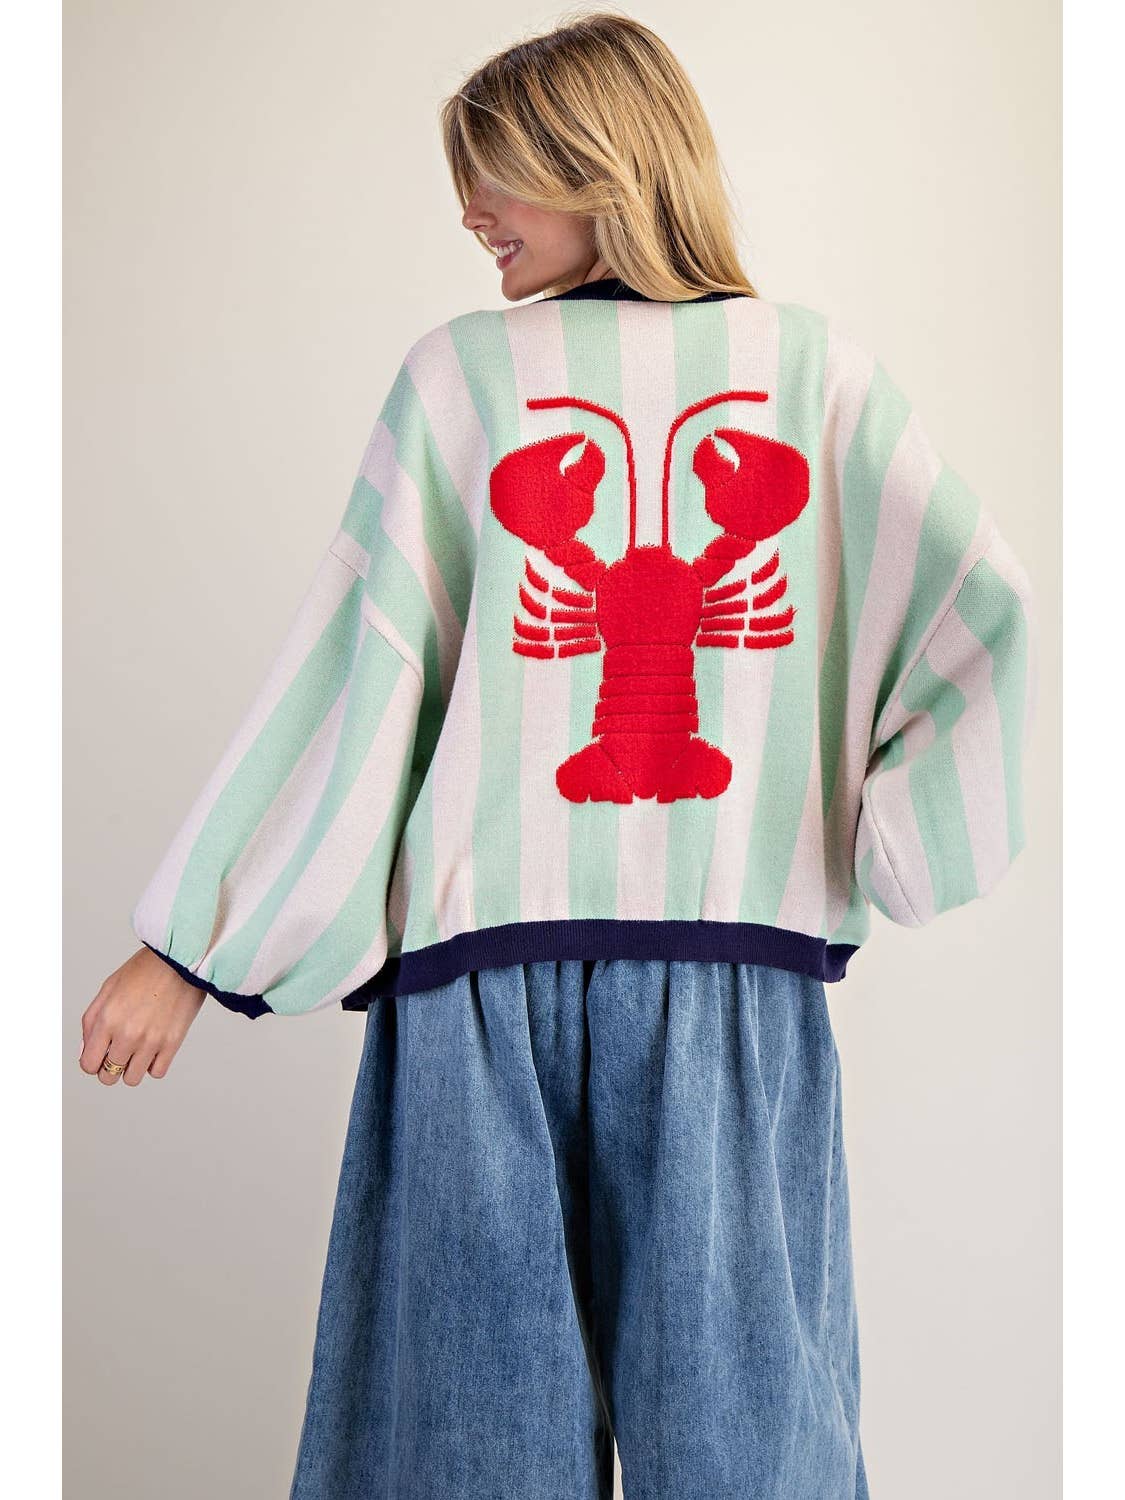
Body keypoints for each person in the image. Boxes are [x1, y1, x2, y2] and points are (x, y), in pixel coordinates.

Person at [79, 12, 1036, 1498]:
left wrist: (901, 832)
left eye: (495, 176)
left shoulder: (810, 375)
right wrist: (190, 951)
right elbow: (361, 664)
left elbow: (975, 611)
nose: (469, 214)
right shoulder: (460, 379)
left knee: (732, 1446)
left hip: (703, 978)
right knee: (487, 1444)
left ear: (598, 160)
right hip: (493, 975)